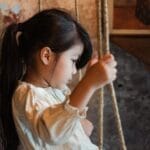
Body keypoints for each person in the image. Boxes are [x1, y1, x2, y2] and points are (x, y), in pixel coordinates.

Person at [0, 8, 117, 150]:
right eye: (73, 60)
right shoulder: (26, 96)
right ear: (47, 56)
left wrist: (78, 126)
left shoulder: (54, 91)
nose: (74, 71)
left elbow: (63, 120)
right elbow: (53, 132)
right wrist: (88, 84)